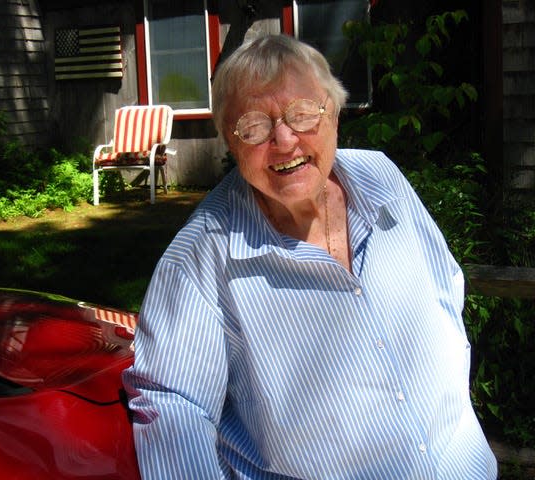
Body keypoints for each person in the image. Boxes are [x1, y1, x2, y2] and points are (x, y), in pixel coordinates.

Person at [122, 34, 497, 479]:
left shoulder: (383, 179)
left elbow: (445, 286)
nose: (284, 140)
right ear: (231, 140)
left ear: (334, 113)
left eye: (302, 113)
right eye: (254, 125)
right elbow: (172, 406)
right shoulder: (203, 255)